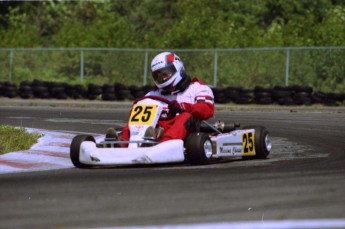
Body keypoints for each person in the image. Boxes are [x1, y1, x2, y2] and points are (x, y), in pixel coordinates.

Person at [109, 52, 214, 145]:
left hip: (186, 133)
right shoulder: (153, 94)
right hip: (156, 129)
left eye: (165, 73)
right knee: (135, 120)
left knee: (185, 116)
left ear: (177, 69)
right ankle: (123, 144)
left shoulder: (197, 88)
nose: (162, 78)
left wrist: (184, 107)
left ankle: (165, 144)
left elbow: (206, 109)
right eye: (158, 76)